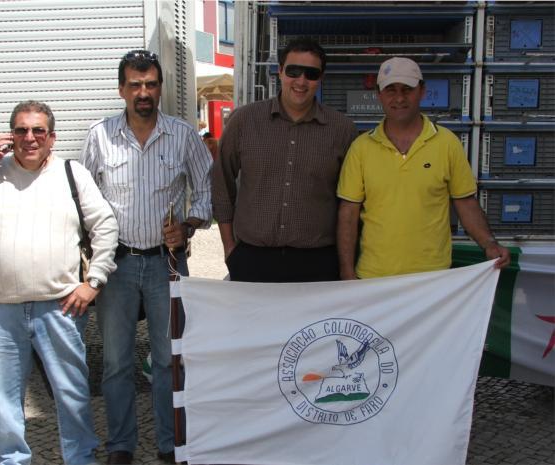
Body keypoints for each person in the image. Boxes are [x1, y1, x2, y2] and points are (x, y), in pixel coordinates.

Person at [0, 100, 118, 465]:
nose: (30, 138)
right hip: (3, 309)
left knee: (71, 392)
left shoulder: (71, 173)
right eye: (21, 130)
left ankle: (80, 458)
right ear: (10, 136)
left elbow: (105, 225)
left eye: (38, 130)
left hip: (60, 307)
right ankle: (11, 460)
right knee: (5, 396)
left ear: (52, 137)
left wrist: (94, 281)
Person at [80, 50, 212, 465]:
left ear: (159, 88)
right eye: (135, 85)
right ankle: (121, 445)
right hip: (115, 265)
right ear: (121, 89)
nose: (143, 92)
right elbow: (83, 198)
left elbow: (207, 189)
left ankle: (171, 445)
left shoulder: (183, 135)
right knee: (116, 362)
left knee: (169, 359)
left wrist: (189, 225)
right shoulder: (99, 136)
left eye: (151, 84)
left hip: (165, 264)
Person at [337, 57, 510, 279]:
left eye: (407, 89)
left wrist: (489, 244)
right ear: (378, 94)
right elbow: (348, 213)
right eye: (391, 90)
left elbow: (465, 202)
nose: (399, 98)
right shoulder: (361, 148)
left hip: (432, 279)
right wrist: (346, 270)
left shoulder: (447, 143)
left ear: (422, 91)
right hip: (373, 278)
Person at [212, 38, 358, 283]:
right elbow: (220, 182)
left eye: (311, 74)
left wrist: (346, 265)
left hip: (318, 263)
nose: (301, 81)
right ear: (280, 71)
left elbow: (351, 203)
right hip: (252, 260)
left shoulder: (342, 130)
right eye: (293, 71)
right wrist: (229, 248)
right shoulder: (244, 121)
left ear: (320, 79)